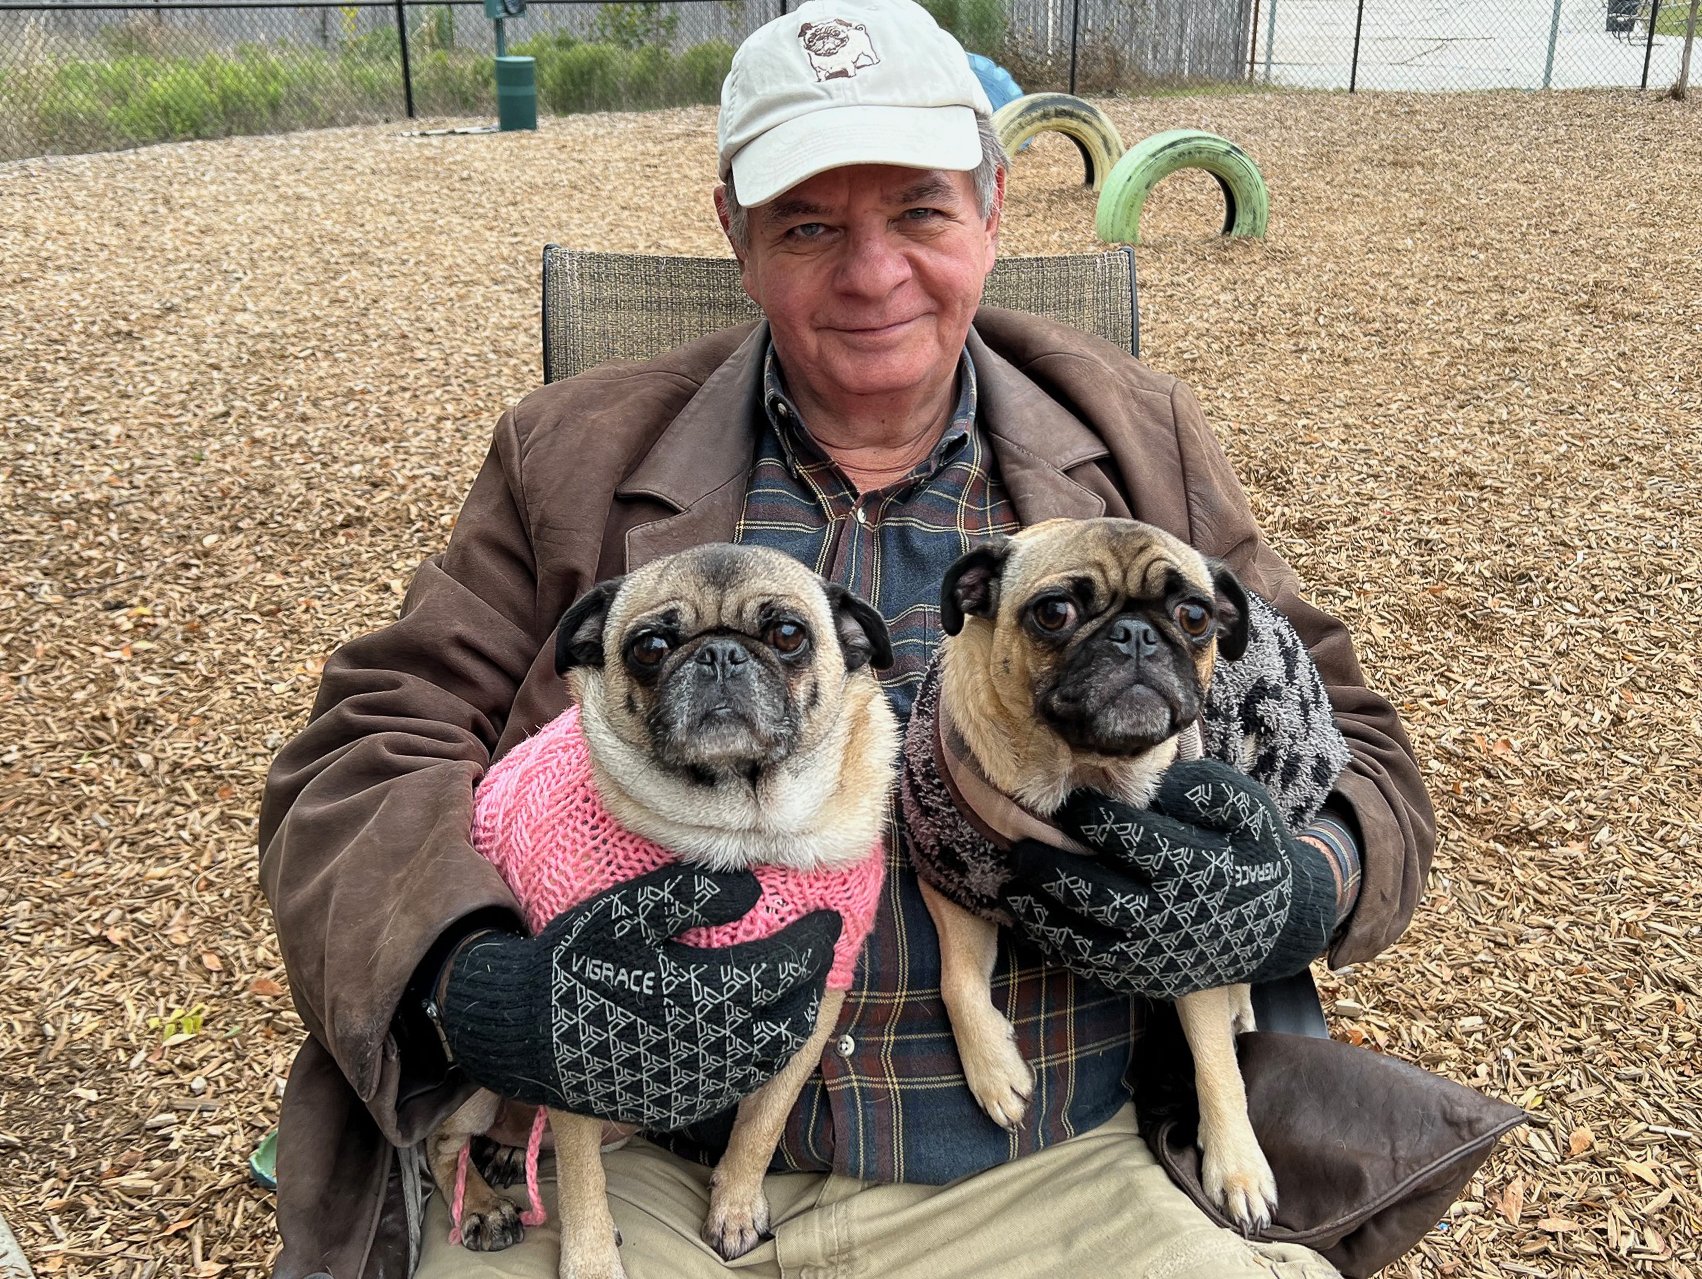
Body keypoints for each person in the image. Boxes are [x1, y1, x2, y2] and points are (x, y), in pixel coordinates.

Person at [258, 0, 1434, 1275]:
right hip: (645, 1158)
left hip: (1058, 1158)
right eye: (811, 224)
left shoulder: (1139, 439)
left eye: (920, 212)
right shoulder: (572, 451)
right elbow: (363, 750)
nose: (872, 273)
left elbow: (1355, 744)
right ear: (735, 235)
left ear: (992, 213)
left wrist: (1293, 887)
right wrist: (478, 984)